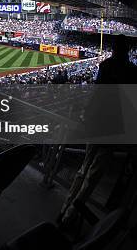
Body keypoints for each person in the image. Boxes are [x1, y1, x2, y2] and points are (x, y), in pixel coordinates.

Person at [58, 35, 136, 230]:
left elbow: (98, 95)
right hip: (114, 129)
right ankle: (71, 214)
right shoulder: (133, 71)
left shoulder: (107, 66)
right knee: (91, 175)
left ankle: (65, 210)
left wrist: (87, 117)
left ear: (115, 49)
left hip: (98, 125)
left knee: (84, 171)